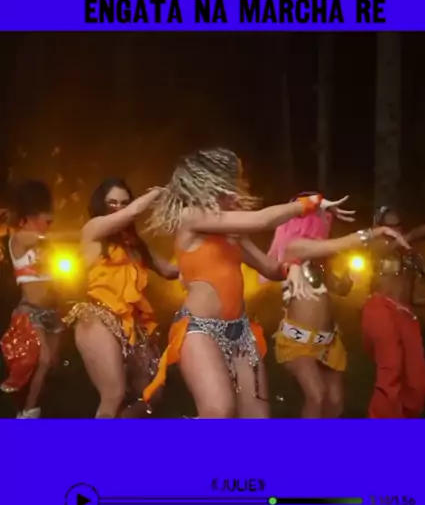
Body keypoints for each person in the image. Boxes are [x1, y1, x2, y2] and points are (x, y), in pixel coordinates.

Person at [142, 148, 353, 418]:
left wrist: (292, 267)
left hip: (240, 332)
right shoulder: (191, 216)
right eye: (236, 177)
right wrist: (312, 202)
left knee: (257, 418)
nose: (241, 183)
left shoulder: (233, 232)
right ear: (214, 180)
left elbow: (271, 269)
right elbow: (262, 220)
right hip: (199, 329)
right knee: (219, 411)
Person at [271, 206, 406, 417]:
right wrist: (373, 233)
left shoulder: (321, 262)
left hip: (328, 340)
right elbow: (339, 244)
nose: (326, 224)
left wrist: (349, 278)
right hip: (298, 340)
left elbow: (339, 288)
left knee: (335, 401)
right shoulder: (294, 248)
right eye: (322, 219)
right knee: (316, 395)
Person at [64, 179, 178, 418]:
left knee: (151, 395)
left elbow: (169, 270)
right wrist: (159, 192)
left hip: (132, 324)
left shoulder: (135, 244)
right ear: (100, 205)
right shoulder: (93, 229)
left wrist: (201, 248)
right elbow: (133, 212)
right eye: (112, 203)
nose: (119, 208)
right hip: (97, 318)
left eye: (124, 203)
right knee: (113, 394)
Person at [0, 181, 76, 418]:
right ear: (31, 216)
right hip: (30, 311)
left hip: (52, 312)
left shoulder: (44, 242)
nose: (50, 225)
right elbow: (64, 236)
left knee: (51, 364)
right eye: (47, 220)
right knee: (43, 360)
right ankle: (27, 413)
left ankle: (34, 408)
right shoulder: (20, 238)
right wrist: (90, 232)